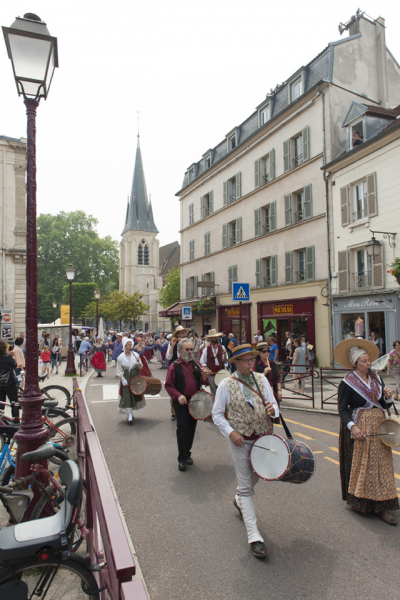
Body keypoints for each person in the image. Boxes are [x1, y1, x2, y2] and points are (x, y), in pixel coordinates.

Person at [212, 344, 279, 558]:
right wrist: (231, 432)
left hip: (262, 437)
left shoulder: (262, 380)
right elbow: (217, 414)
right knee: (246, 485)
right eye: (247, 360)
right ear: (237, 363)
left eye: (253, 359)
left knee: (257, 476)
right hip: (240, 441)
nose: (252, 363)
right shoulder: (225, 384)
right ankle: (254, 536)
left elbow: (275, 406)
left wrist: (272, 410)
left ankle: (239, 499)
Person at [335, 339, 399, 525]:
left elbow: (383, 404)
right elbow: (342, 409)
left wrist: (388, 397)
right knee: (365, 466)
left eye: (368, 360)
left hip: (380, 426)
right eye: (363, 361)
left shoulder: (376, 378)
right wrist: (352, 427)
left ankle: (383, 504)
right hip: (361, 426)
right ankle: (365, 502)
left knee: (382, 465)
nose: (368, 363)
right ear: (355, 363)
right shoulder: (347, 382)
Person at [165, 337, 209, 471]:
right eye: (187, 350)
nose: (190, 352)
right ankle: (182, 458)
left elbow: (203, 381)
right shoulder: (174, 366)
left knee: (191, 428)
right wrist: (178, 396)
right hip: (181, 403)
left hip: (195, 401)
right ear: (180, 350)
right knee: (183, 428)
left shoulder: (196, 363)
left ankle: (188, 453)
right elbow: (168, 386)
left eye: (191, 349)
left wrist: (205, 377)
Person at [116, 338, 145, 425]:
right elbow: (119, 370)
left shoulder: (135, 354)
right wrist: (122, 379)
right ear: (124, 346)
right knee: (127, 395)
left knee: (134, 394)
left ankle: (131, 412)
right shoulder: (120, 357)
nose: (130, 346)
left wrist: (139, 361)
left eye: (131, 345)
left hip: (134, 377)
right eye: (128, 345)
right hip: (126, 377)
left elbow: (141, 367)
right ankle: (129, 414)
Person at [166, 325, 190, 421]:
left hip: (186, 368)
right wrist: (172, 345)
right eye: (181, 333)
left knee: (186, 388)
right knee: (174, 390)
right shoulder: (173, 343)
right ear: (177, 334)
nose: (184, 334)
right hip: (175, 368)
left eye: (184, 333)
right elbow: (168, 356)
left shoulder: (188, 343)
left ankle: (186, 409)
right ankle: (174, 412)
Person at [200, 329, 228, 397]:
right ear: (210, 338)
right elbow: (202, 362)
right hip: (211, 374)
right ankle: (215, 406)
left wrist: (224, 355)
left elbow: (225, 362)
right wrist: (208, 370)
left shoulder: (222, 347)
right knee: (214, 393)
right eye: (214, 337)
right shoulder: (207, 349)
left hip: (221, 373)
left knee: (221, 391)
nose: (216, 338)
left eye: (217, 337)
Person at [254, 343, 282, 407]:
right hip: (262, 394)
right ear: (259, 353)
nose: (266, 353)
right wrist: (263, 373)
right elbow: (254, 379)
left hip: (273, 392)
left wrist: (279, 390)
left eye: (268, 351)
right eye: (264, 351)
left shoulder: (273, 363)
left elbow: (278, 377)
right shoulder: (255, 364)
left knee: (275, 412)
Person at [0, 340, 20, 423]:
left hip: (0, 385)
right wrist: (12, 357)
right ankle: (15, 421)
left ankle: (2, 422)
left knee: (1, 404)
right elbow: (14, 365)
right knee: (14, 403)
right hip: (10, 383)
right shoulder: (7, 357)